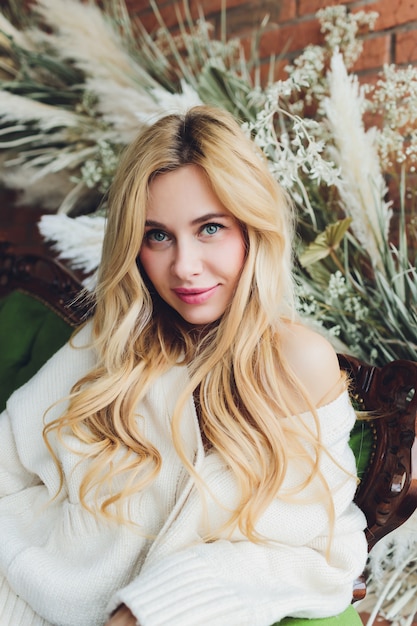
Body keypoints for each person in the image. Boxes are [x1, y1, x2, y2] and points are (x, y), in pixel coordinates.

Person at [0, 105, 367, 626]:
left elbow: (325, 550)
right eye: (157, 235)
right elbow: (8, 465)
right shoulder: (113, 339)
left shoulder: (295, 362)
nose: (185, 267)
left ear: (251, 228)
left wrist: (153, 606)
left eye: (210, 228)